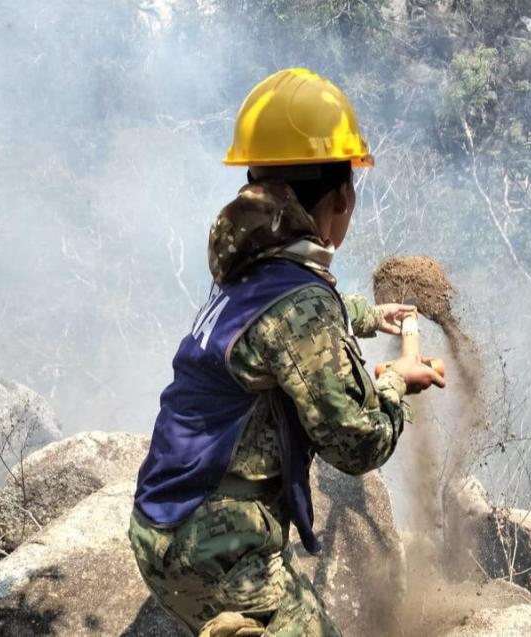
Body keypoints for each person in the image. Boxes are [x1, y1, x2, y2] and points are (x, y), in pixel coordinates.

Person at [129, 67, 445, 637]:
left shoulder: (246, 268)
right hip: (218, 547)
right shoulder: (295, 298)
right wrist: (398, 381)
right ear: (342, 197)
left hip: (161, 523)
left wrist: (371, 317)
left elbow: (281, 328)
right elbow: (358, 440)